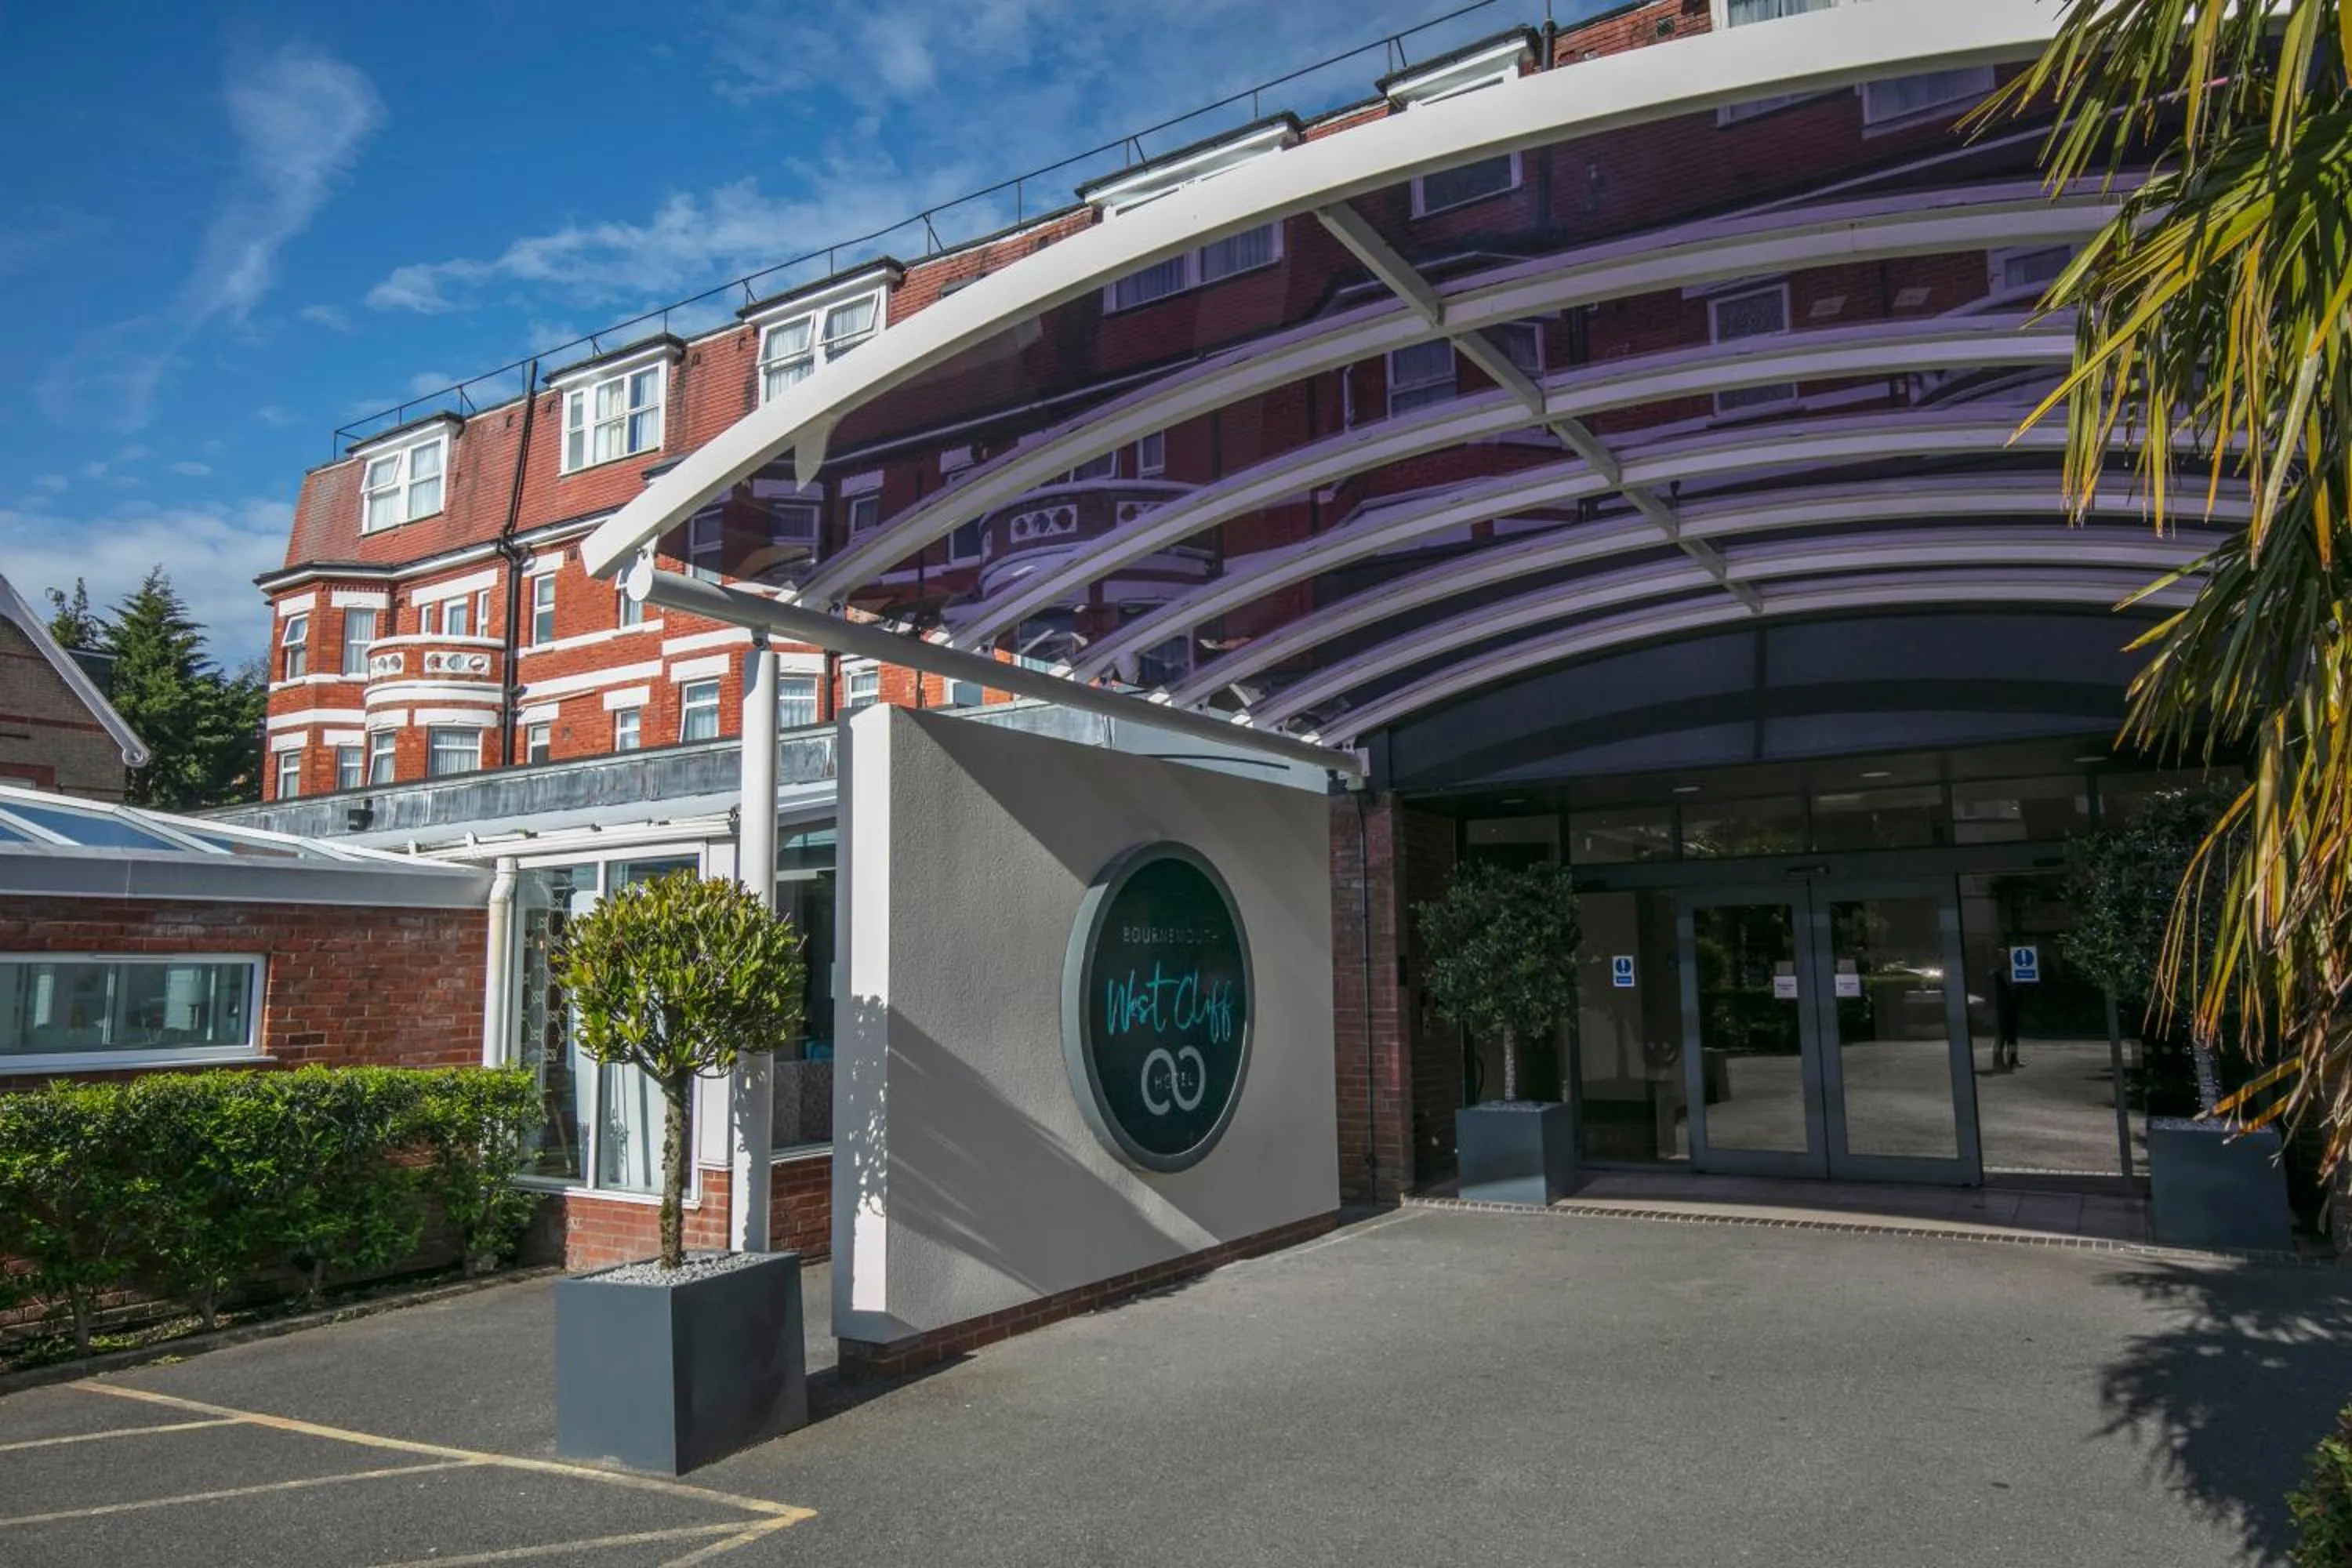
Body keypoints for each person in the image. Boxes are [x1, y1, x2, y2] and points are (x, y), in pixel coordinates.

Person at [1991, 951, 2023, 1070]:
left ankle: (2013, 1059)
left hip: (2011, 1007)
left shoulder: (2010, 972)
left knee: (2012, 1036)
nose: (2005, 960)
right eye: (2002, 958)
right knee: (2002, 1037)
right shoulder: (1996, 974)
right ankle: (1998, 1061)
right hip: (2001, 1008)